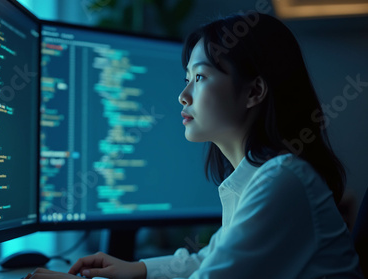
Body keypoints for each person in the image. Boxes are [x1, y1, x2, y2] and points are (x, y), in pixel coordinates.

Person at [25, 12, 363, 279]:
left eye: (199, 77)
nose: (183, 95)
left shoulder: (282, 180)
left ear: (254, 92)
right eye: (187, 78)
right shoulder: (262, 177)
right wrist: (139, 269)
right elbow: (213, 257)